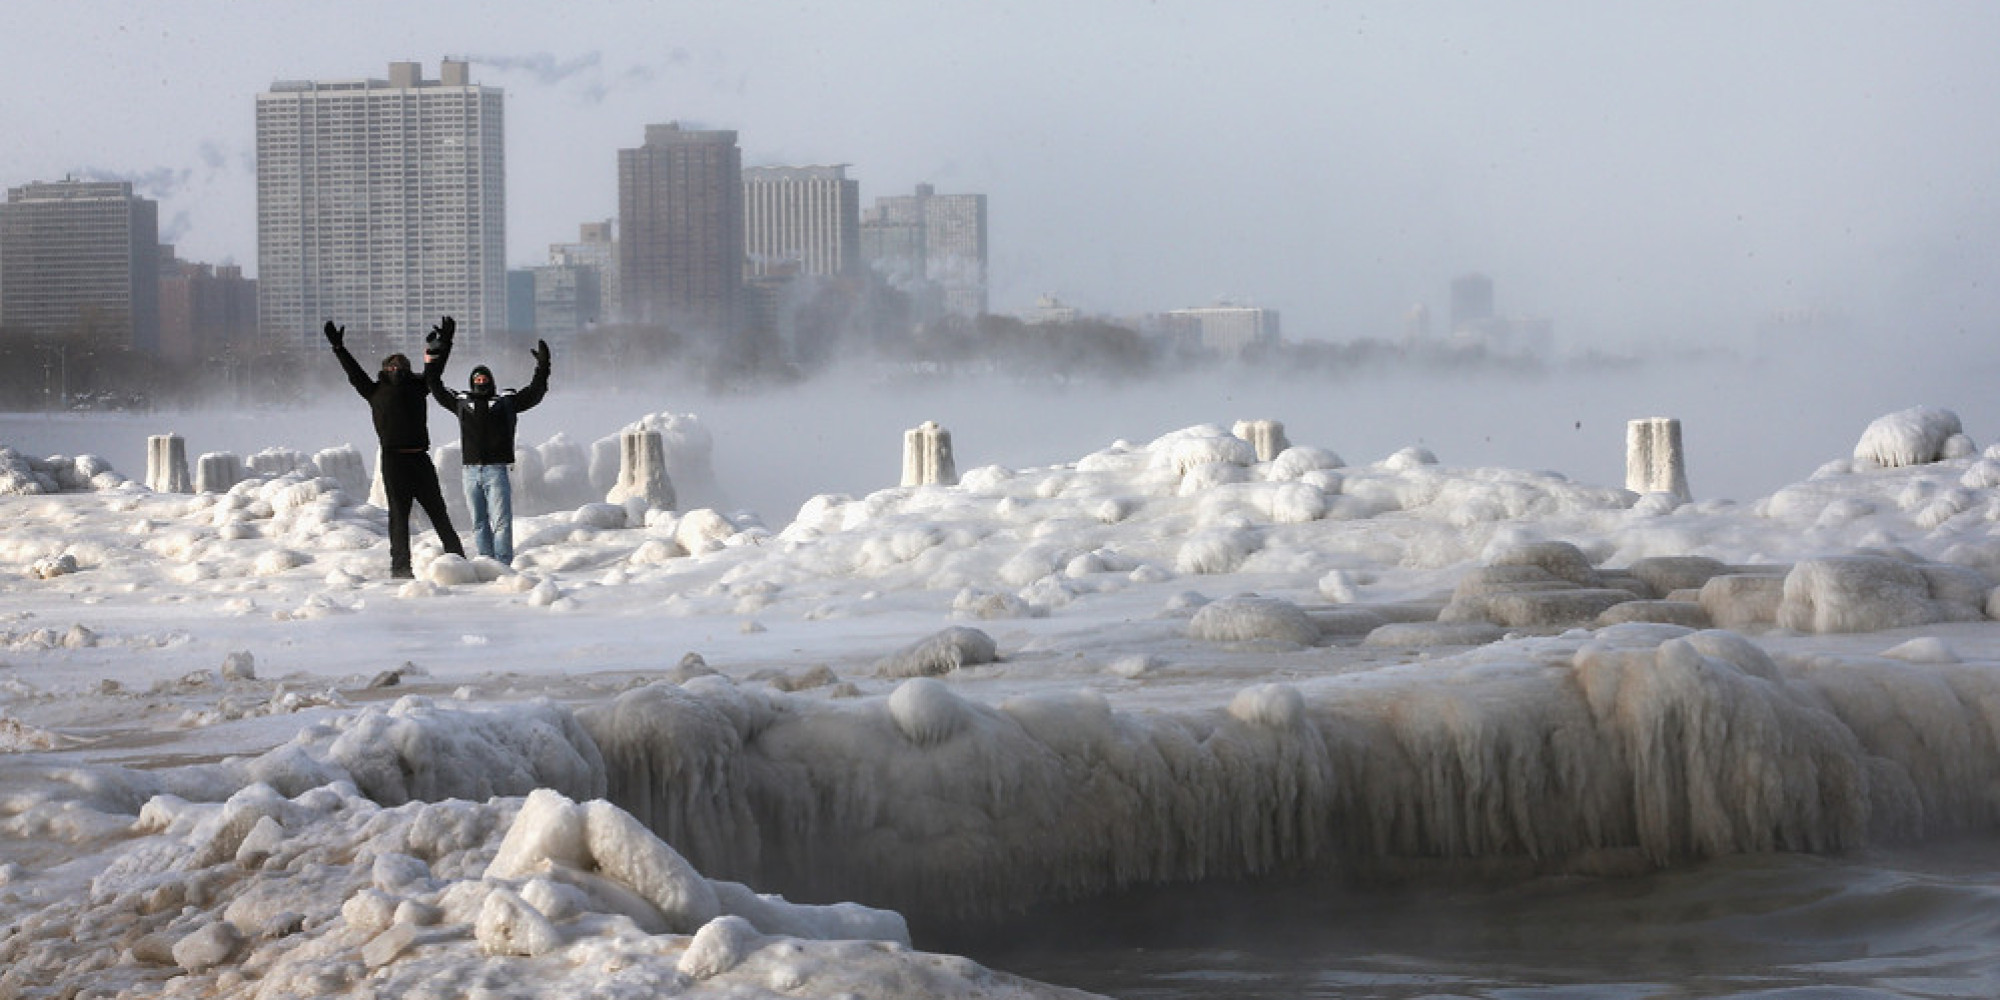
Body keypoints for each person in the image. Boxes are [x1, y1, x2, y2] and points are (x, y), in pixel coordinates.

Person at [324, 316, 466, 579]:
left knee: (438, 512)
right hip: (393, 461)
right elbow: (353, 373)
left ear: (409, 369)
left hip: (420, 459)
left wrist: (445, 341)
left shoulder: (420, 386)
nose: (396, 369)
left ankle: (457, 558)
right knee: (399, 517)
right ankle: (400, 568)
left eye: (400, 365)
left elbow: (436, 369)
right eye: (391, 366)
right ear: (384, 370)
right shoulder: (374, 390)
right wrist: (339, 349)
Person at [425, 327, 551, 565]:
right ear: (472, 383)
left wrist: (543, 367)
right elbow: (435, 386)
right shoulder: (461, 402)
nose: (480, 382)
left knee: (501, 520)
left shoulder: (505, 402)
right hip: (470, 471)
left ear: (491, 382)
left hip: (496, 469)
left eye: (484, 379)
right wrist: (433, 355)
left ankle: (502, 562)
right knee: (478, 521)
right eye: (477, 380)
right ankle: (485, 560)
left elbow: (534, 393)